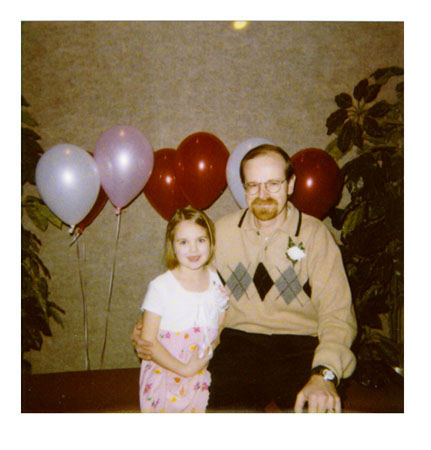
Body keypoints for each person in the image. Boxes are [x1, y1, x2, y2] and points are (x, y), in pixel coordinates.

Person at [132, 144, 357, 413]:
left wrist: (325, 373)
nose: (263, 195)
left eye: (273, 184)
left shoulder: (314, 235)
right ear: (244, 188)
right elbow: (189, 282)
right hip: (239, 344)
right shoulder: (222, 232)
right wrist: (152, 325)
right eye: (253, 185)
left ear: (291, 184)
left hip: (302, 346)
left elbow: (338, 313)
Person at [137, 206, 229, 413]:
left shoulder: (214, 277)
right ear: (173, 246)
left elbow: (221, 320)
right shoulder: (160, 287)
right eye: (184, 242)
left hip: (203, 367)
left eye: (201, 240)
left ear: (211, 242)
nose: (193, 249)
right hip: (168, 371)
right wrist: (185, 369)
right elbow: (149, 341)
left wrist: (210, 349)